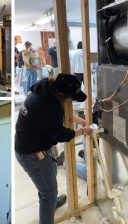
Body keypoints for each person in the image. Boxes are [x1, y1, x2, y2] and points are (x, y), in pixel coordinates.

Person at [15, 73, 94, 224]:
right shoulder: (48, 105)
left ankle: (51, 201)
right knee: (48, 192)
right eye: (71, 98)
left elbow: (60, 114)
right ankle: (50, 200)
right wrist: (84, 131)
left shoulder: (47, 89)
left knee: (51, 174)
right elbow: (61, 135)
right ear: (63, 94)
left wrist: (81, 121)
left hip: (39, 145)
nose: (71, 100)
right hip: (31, 154)